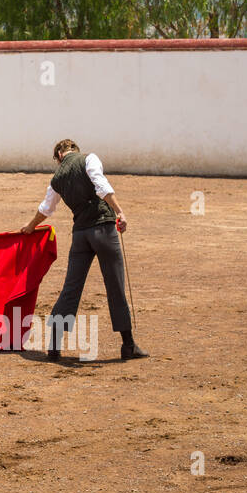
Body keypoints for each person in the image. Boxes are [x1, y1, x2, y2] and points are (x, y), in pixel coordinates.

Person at [21, 138, 148, 361]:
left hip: (80, 235)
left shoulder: (57, 178)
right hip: (103, 231)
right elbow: (101, 186)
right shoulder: (89, 159)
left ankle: (53, 347)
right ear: (72, 150)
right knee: (115, 286)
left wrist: (30, 227)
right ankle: (128, 345)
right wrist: (119, 211)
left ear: (59, 155)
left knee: (71, 288)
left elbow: (46, 209)